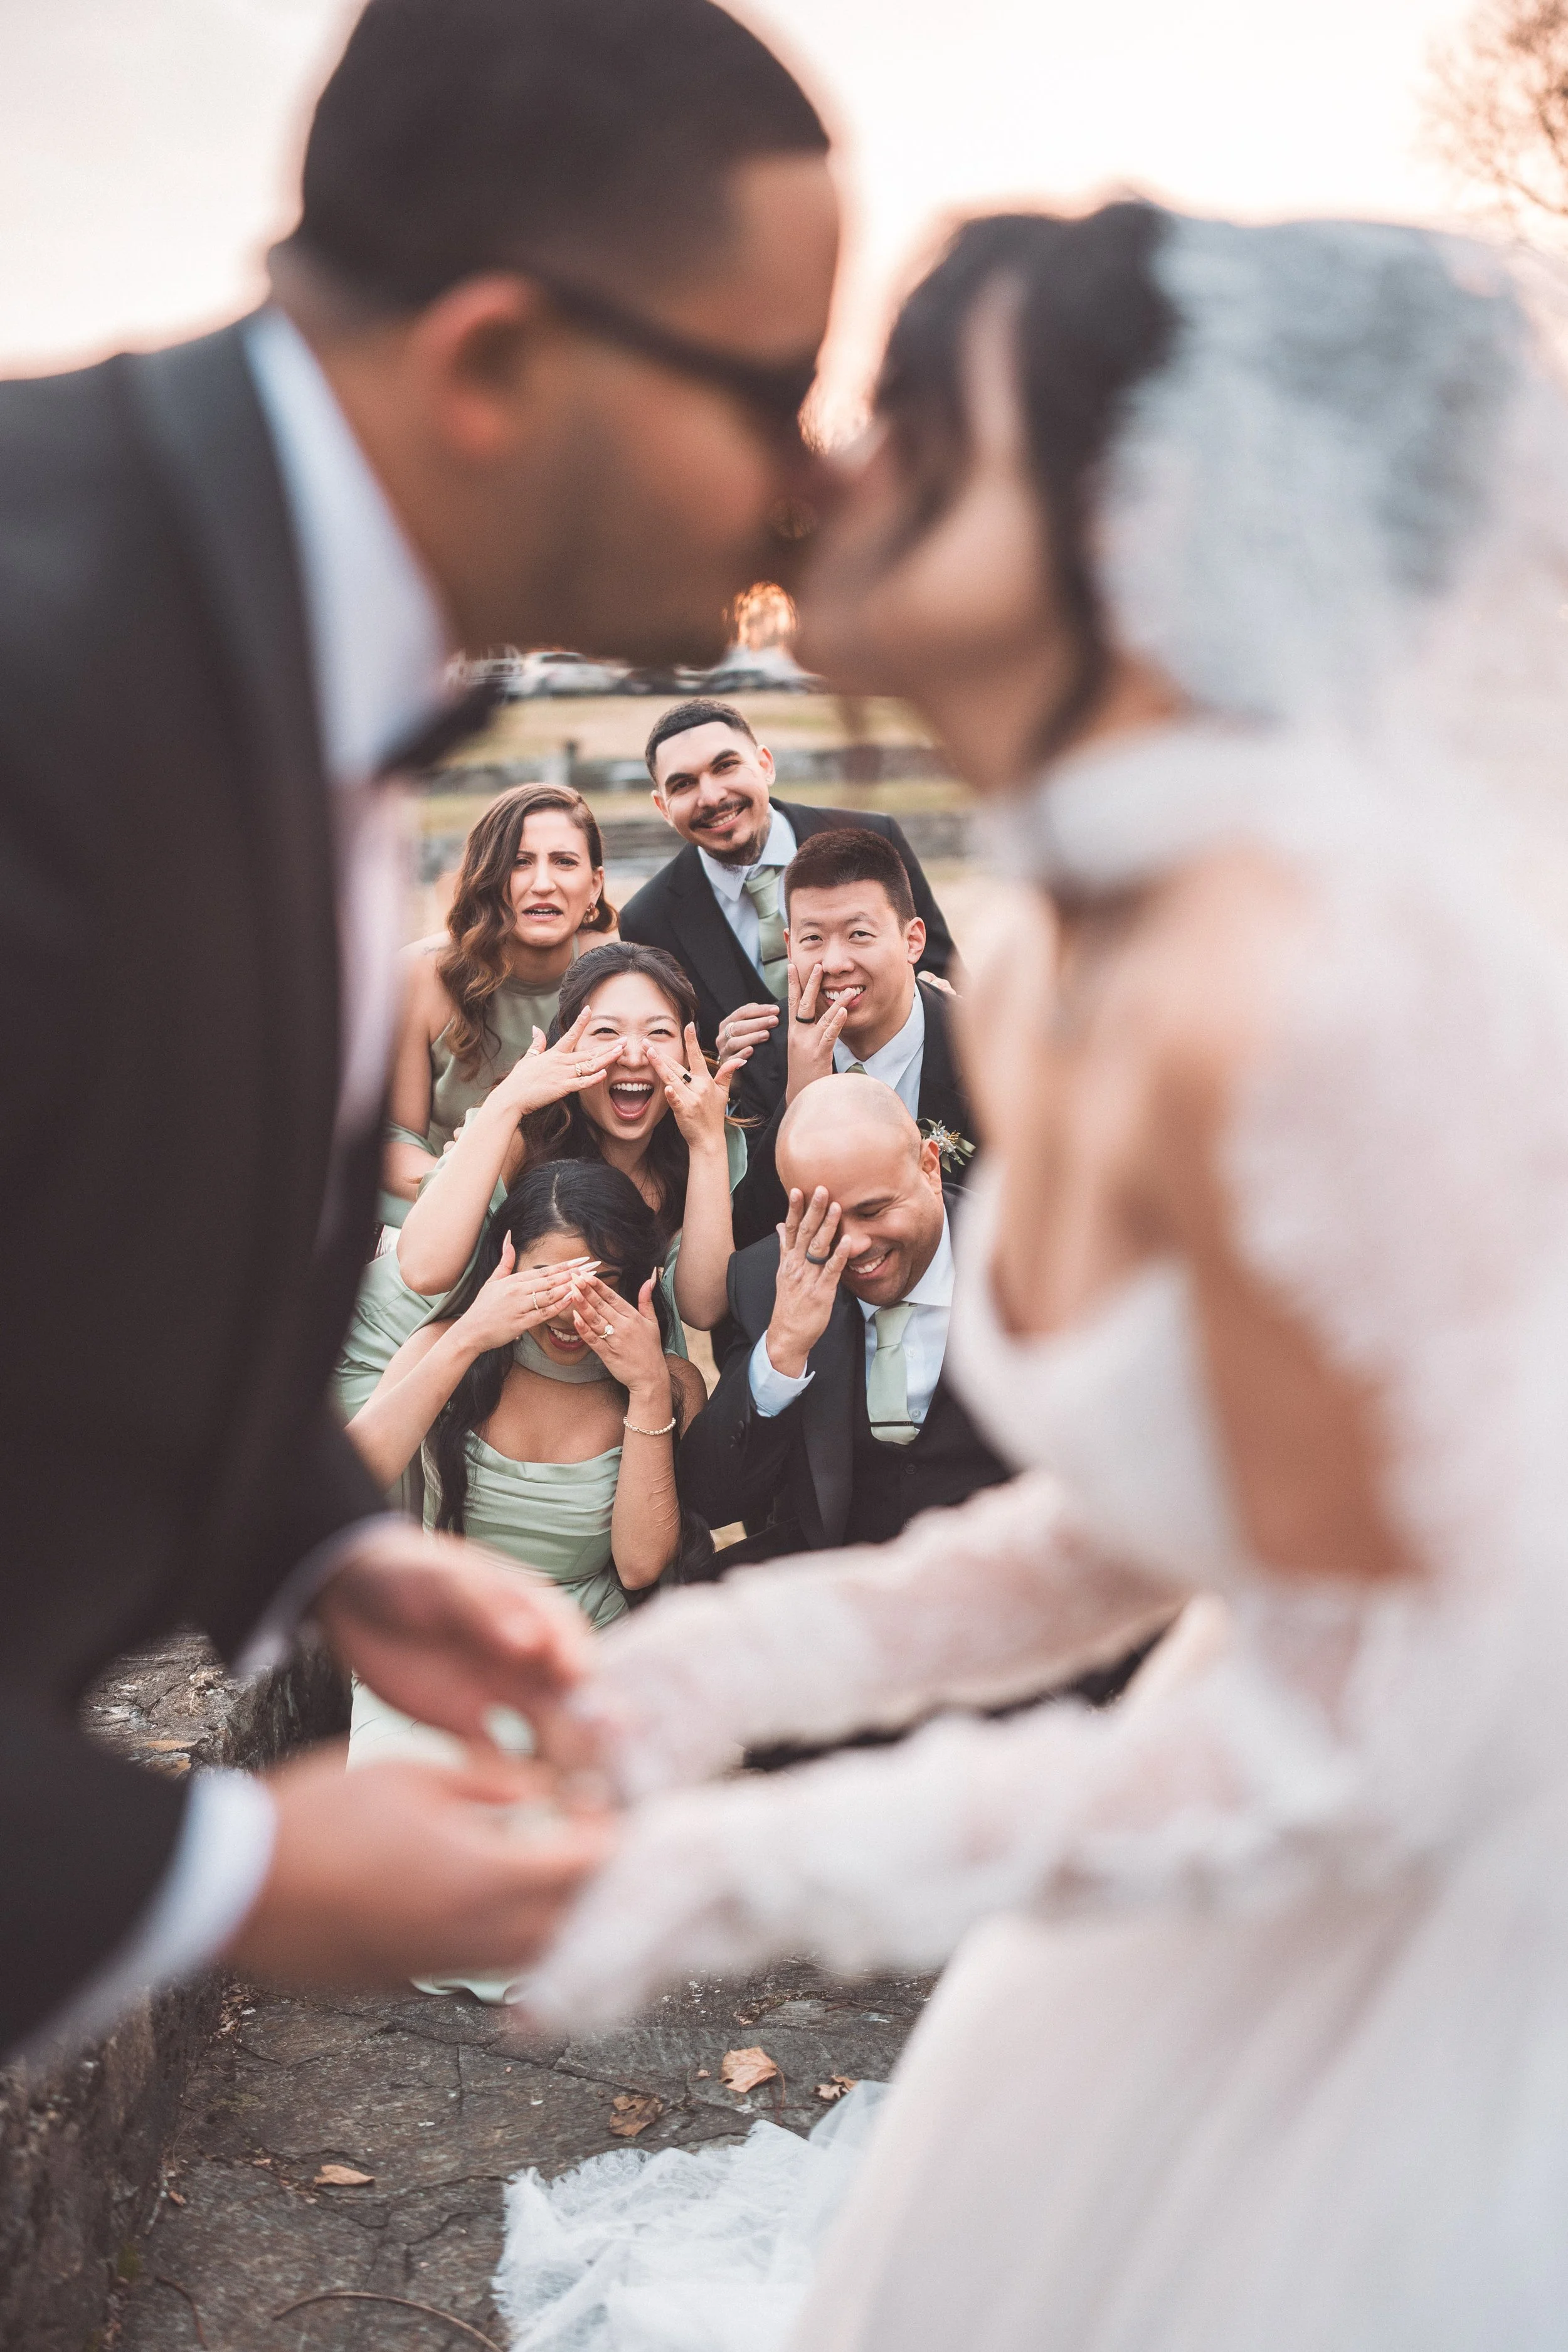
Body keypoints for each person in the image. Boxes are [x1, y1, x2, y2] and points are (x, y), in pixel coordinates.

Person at [501, 206, 1568, 2346]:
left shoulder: (1312, 979)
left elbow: (1354, 1741)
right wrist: (696, 1691)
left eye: (918, 416)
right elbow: (1140, 1533)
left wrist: (735, 1872)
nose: (838, 456)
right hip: (1193, 1928)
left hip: (1420, 1975)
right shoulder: (1086, 931)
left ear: (1129, 514)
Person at [0, 0, 839, 2057]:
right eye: (771, 390)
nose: (808, 485)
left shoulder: (276, 618)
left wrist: (322, 1551)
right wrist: (229, 1875)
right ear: (491, 362)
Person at [682, 1075, 1007, 1555]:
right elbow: (712, 1501)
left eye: (873, 1210)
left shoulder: (1023, 1259)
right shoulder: (767, 1279)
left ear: (929, 1168)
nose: (853, 1245)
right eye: (824, 1222)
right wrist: (783, 1349)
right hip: (838, 1579)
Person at [617, 698, 958, 1120]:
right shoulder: (647, 918)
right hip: (773, 1136)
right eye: (683, 785)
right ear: (662, 807)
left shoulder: (872, 834)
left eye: (726, 766)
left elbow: (943, 969)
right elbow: (676, 1055)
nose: (711, 796)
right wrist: (716, 1058)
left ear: (765, 765)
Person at [392, 940, 746, 1333]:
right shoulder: (517, 1125)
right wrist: (504, 1104)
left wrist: (708, 1144)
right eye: (606, 1031)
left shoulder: (705, 1139)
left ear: (686, 1047)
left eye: (659, 1032)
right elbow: (423, 1270)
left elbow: (703, 1309)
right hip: (399, 1336)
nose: (632, 1056)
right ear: (568, 1041)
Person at [729, 825, 975, 1248]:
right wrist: (800, 1097)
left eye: (859, 934)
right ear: (789, 947)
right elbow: (752, 1239)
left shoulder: (981, 1047)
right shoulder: (759, 1060)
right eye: (813, 939)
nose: (835, 962)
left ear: (913, 940)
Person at [381, 783, 616, 1218]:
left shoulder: (619, 973)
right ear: (487, 878)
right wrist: (471, 1196)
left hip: (579, 1213)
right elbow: (396, 1137)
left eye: (564, 862)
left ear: (595, 885)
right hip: (439, 1199)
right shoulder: (421, 974)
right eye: (519, 863)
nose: (542, 883)